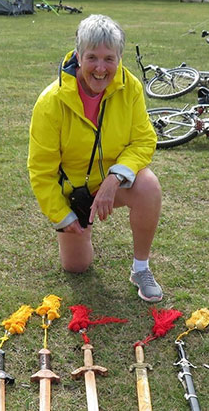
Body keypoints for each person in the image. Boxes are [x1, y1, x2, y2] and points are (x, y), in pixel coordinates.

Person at [28, 15, 164, 302]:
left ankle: (141, 268)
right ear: (78, 57)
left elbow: (143, 140)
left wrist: (115, 178)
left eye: (109, 59)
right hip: (74, 192)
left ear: (120, 58)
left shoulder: (131, 88)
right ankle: (81, 229)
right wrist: (63, 216)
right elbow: (41, 171)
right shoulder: (50, 102)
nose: (101, 69)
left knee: (149, 185)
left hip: (113, 182)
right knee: (77, 267)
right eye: (92, 58)